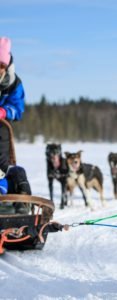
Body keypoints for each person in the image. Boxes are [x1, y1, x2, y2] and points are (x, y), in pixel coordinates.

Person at [0, 37, 31, 213]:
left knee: (6, 167)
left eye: (1, 66)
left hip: (2, 127)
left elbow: (17, 108)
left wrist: (4, 112)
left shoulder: (14, 84)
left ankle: (20, 208)